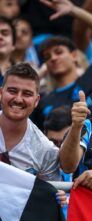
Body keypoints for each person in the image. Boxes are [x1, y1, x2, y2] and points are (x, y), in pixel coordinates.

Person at [31, 0, 92, 130]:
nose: (53, 58)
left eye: (58, 52)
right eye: (47, 57)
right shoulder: (42, 102)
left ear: (74, 56)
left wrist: (74, 11)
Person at [0, 62, 67, 205]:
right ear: (1, 93)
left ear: (36, 101)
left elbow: (51, 193)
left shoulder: (45, 149)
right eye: (12, 91)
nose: (18, 99)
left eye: (27, 94)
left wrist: (57, 197)